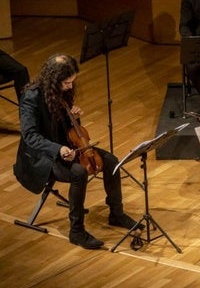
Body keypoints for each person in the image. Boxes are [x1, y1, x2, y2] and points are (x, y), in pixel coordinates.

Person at [13, 53, 141, 250]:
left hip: (69, 147)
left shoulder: (61, 92)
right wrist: (58, 149)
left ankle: (116, 213)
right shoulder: (31, 97)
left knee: (112, 161)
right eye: (66, 83)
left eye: (72, 82)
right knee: (78, 173)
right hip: (42, 156)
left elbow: (69, 130)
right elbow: (30, 136)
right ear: (52, 80)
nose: (70, 87)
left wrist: (74, 117)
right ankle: (76, 230)